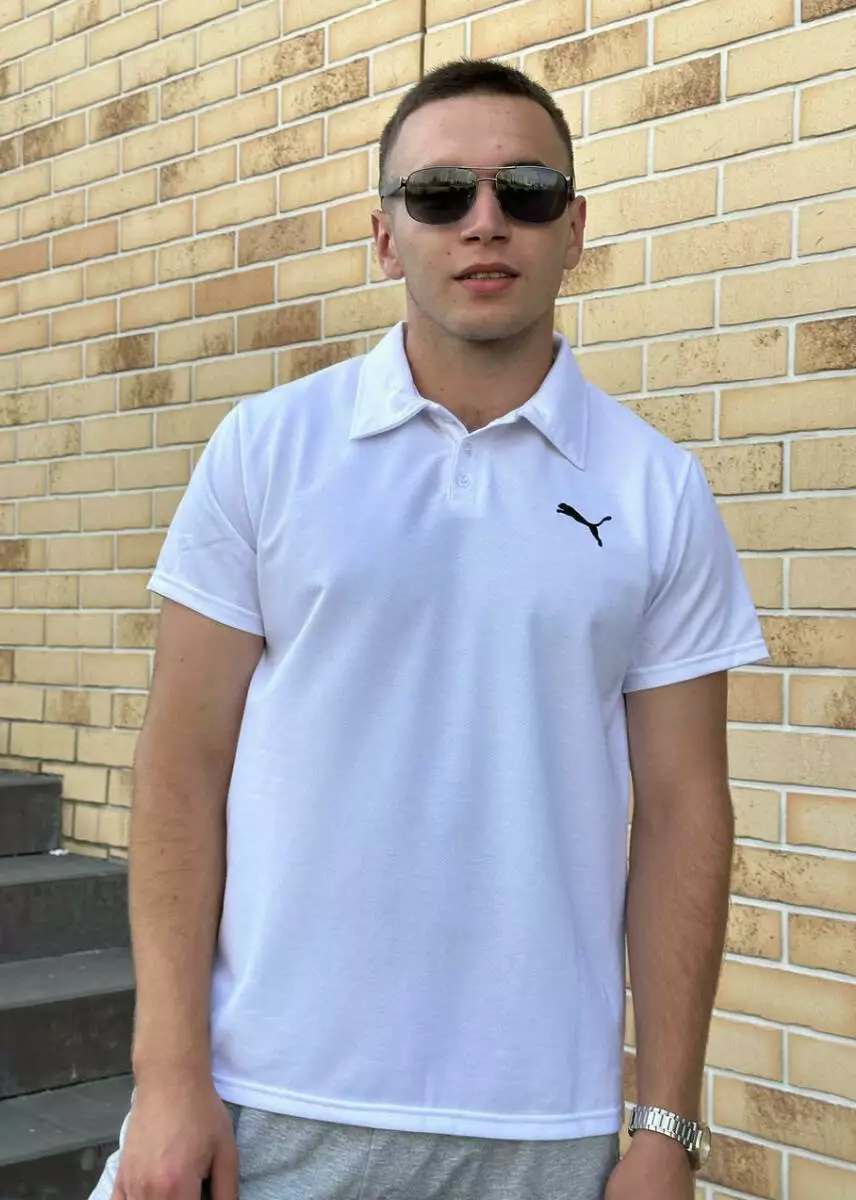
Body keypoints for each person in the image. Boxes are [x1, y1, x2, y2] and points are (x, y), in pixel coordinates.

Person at [91, 57, 768, 1200]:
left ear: (574, 229)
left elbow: (683, 810)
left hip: (540, 1128)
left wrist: (664, 1128)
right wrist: (168, 1078)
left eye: (526, 192)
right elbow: (180, 768)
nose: (484, 222)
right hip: (269, 1100)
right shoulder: (265, 451)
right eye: (440, 193)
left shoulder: (657, 491)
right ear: (383, 235)